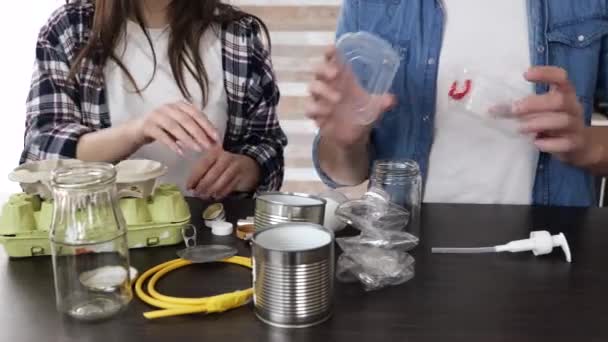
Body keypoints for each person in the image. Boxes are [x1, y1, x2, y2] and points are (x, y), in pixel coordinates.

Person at [307, 0, 608, 207]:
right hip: (404, 260)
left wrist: (586, 146)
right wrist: (345, 143)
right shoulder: (371, 6)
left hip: (552, 254)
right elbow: (343, 172)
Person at [21, 0, 287, 199]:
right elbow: (40, 152)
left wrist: (246, 169)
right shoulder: (71, 28)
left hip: (209, 243)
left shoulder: (237, 34)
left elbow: (268, 150)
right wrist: (136, 131)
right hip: (100, 241)